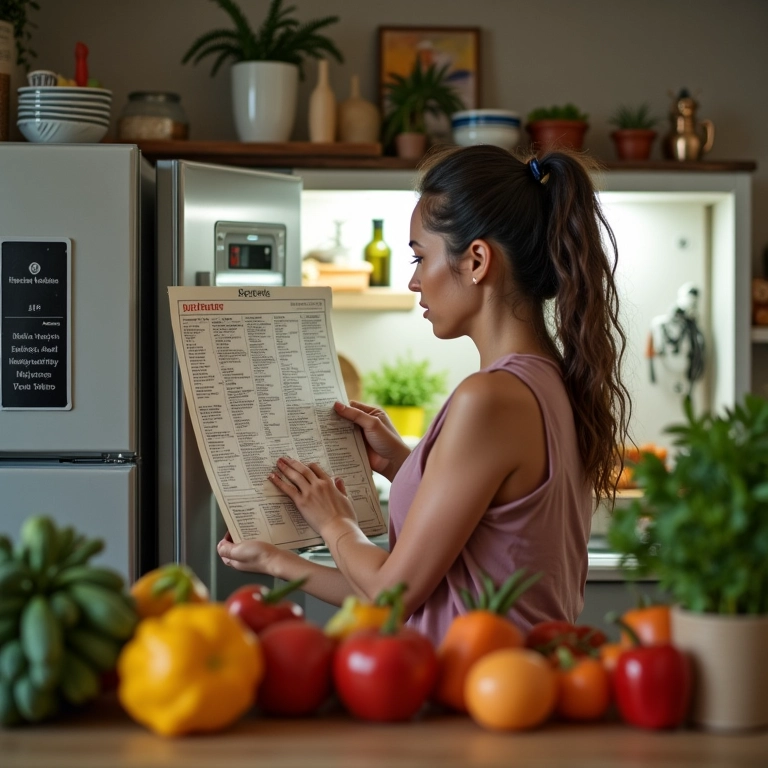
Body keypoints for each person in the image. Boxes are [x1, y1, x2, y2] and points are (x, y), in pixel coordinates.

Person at [218, 144, 631, 646]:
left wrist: (334, 522)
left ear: (477, 260)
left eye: (420, 257)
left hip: (483, 682)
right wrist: (276, 558)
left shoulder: (491, 398)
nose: (414, 281)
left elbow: (389, 594)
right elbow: (432, 580)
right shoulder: (550, 381)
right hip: (513, 677)